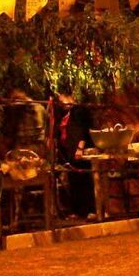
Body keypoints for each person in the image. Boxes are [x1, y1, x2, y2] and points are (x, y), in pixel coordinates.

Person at [56, 86, 94, 219]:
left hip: (78, 151)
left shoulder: (79, 110)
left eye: (60, 97)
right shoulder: (66, 113)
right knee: (74, 181)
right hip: (69, 151)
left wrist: (80, 148)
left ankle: (89, 210)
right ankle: (78, 211)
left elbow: (83, 131)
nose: (60, 101)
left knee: (84, 179)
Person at [0, 87, 49, 158]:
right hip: (21, 150)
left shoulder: (38, 109)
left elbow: (47, 135)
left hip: (35, 150)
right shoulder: (13, 110)